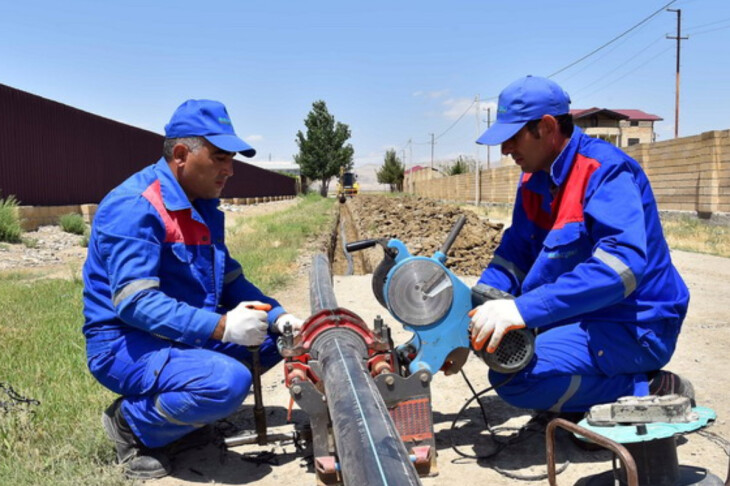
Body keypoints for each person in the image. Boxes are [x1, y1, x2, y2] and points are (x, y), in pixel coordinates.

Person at [82, 99, 304, 479]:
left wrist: (280, 316)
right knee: (227, 382)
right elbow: (134, 302)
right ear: (182, 154)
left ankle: (187, 417)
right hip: (124, 342)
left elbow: (230, 278)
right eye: (220, 158)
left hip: (176, 333)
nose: (230, 170)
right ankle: (130, 425)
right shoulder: (136, 207)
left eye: (231, 159)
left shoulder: (199, 206)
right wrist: (221, 328)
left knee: (274, 342)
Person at [470, 76, 693, 418]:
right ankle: (584, 391)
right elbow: (516, 254)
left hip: (635, 325)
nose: (504, 150)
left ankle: (651, 388)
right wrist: (474, 313)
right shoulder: (534, 179)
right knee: (506, 351)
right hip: (583, 315)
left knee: (514, 379)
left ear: (546, 127)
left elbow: (622, 266)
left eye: (512, 137)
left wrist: (523, 309)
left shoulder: (606, 171)